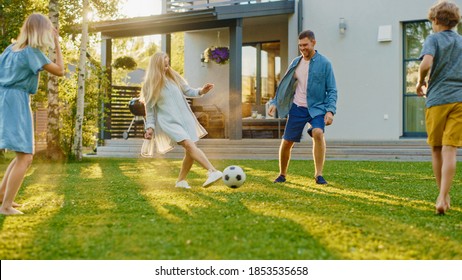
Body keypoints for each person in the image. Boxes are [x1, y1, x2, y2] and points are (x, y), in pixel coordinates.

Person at [0, 13, 64, 215]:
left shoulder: (11, 49)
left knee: (21, 152)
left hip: (4, 97)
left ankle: (2, 196)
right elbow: (60, 70)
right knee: (26, 156)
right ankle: (6, 206)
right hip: (16, 100)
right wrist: (56, 42)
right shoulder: (31, 53)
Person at [142, 52, 222, 189]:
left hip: (186, 118)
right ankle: (212, 171)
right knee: (189, 145)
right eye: (163, 65)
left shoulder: (174, 77)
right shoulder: (149, 85)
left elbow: (189, 91)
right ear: (156, 66)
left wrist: (201, 91)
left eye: (167, 65)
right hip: (169, 122)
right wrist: (150, 128)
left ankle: (180, 181)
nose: (166, 68)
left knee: (190, 151)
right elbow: (150, 111)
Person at [268, 30, 337, 185]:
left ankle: (319, 175)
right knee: (287, 142)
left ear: (314, 42)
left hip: (317, 108)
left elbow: (332, 89)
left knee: (318, 133)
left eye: (305, 45)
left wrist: (330, 110)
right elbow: (284, 85)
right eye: (300, 46)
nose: (303, 48)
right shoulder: (296, 63)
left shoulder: (325, 63)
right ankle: (282, 174)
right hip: (297, 108)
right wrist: (274, 102)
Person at [416, 1, 462, 215]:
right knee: (450, 148)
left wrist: (420, 82)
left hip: (437, 99)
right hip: (459, 101)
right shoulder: (461, 42)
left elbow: (425, 64)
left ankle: (442, 197)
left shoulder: (433, 39)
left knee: (436, 148)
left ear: (435, 20)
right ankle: (444, 195)